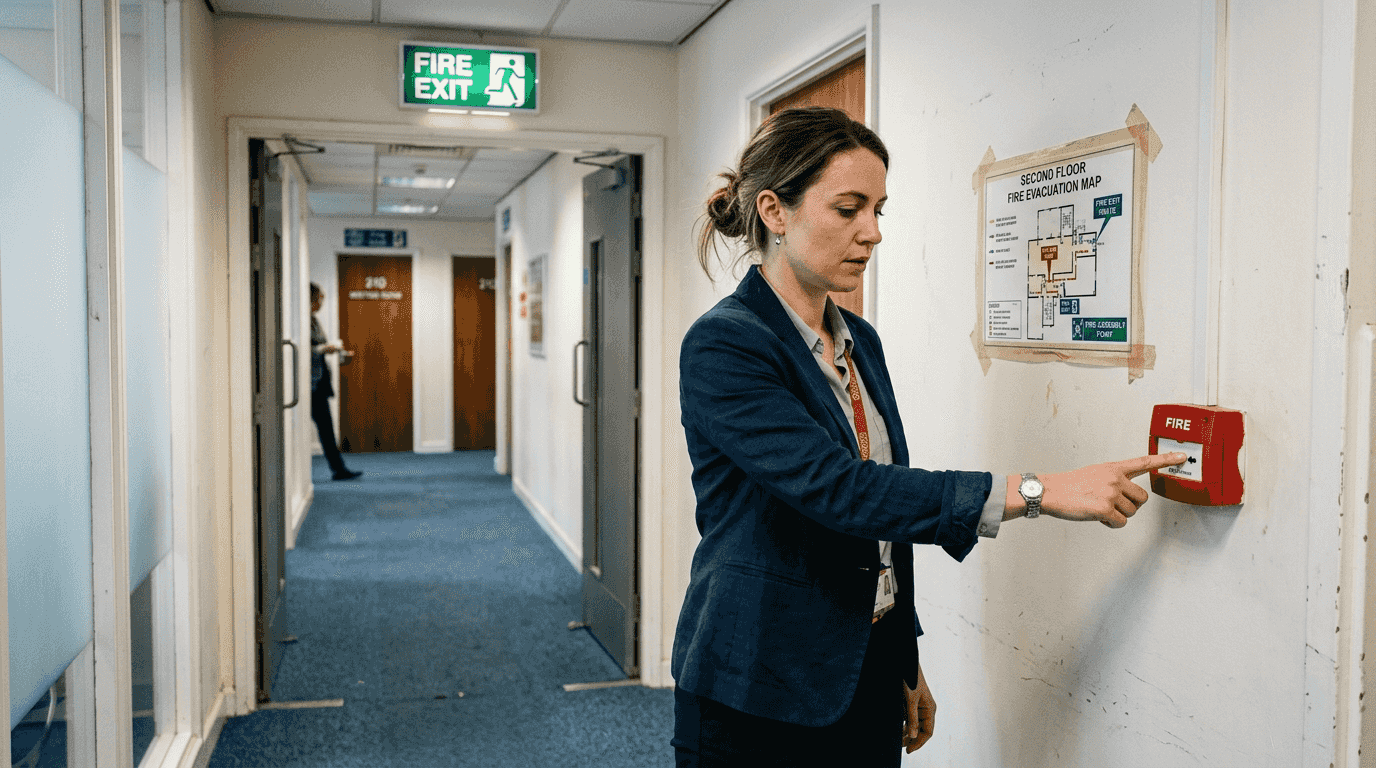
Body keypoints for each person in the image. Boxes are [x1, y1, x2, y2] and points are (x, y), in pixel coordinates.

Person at [671, 106, 1185, 767]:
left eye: (879, 209)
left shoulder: (862, 344)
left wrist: (903, 660)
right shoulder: (726, 345)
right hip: (759, 682)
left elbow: (880, 527)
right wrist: (1041, 490)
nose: (873, 232)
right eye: (849, 209)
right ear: (774, 211)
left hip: (865, 669)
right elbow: (843, 493)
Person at [310, 283, 362, 481]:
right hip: (308, 384)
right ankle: (338, 469)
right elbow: (309, 348)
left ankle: (339, 469)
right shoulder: (301, 321)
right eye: (320, 299)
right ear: (311, 299)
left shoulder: (314, 320)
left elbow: (319, 346)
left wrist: (340, 352)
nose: (322, 303)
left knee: (326, 428)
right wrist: (325, 350)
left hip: (320, 381)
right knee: (324, 428)